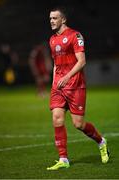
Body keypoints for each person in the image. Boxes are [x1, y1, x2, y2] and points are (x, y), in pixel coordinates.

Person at [47, 7, 110, 170]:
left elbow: (81, 61)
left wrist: (67, 77)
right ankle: (63, 159)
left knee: (78, 124)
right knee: (57, 118)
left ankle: (101, 142)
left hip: (75, 86)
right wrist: (54, 82)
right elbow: (55, 64)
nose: (52, 21)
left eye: (55, 18)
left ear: (63, 20)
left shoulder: (75, 36)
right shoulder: (52, 40)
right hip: (59, 87)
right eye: (50, 18)